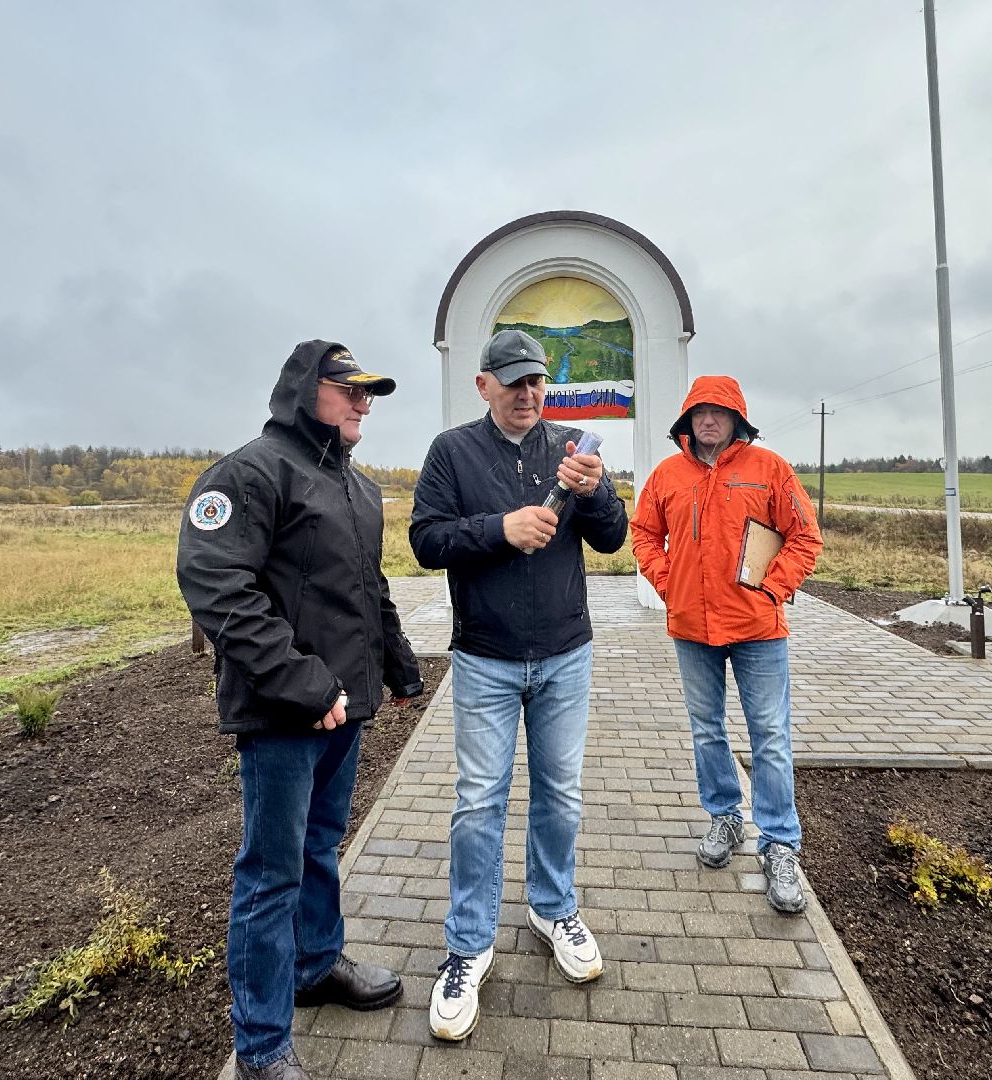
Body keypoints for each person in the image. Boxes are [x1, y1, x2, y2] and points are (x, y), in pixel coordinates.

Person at [178, 340, 424, 1080]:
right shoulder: (250, 473)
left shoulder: (357, 488)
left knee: (320, 847)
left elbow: (367, 587)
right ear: (304, 389)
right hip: (284, 716)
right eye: (350, 390)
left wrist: (398, 663)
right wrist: (304, 685)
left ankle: (315, 965)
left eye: (369, 393)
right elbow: (216, 584)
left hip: (343, 712)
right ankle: (259, 1046)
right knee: (271, 873)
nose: (363, 404)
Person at [410, 328, 629, 1041]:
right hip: (485, 657)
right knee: (479, 801)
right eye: (512, 382)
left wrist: (596, 494)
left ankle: (552, 907)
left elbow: (612, 538)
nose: (527, 394)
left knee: (560, 792)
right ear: (483, 385)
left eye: (536, 381)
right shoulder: (452, 452)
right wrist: (498, 529)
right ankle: (469, 945)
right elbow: (425, 541)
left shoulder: (571, 450)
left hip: (565, 654)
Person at [630, 375, 821, 914]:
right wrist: (667, 582)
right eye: (700, 412)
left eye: (719, 412)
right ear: (687, 421)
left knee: (770, 736)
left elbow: (805, 536)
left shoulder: (770, 469)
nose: (709, 420)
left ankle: (779, 844)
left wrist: (773, 588)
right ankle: (725, 817)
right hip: (693, 627)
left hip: (759, 628)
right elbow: (643, 532)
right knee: (706, 729)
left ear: (737, 419)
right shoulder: (667, 476)